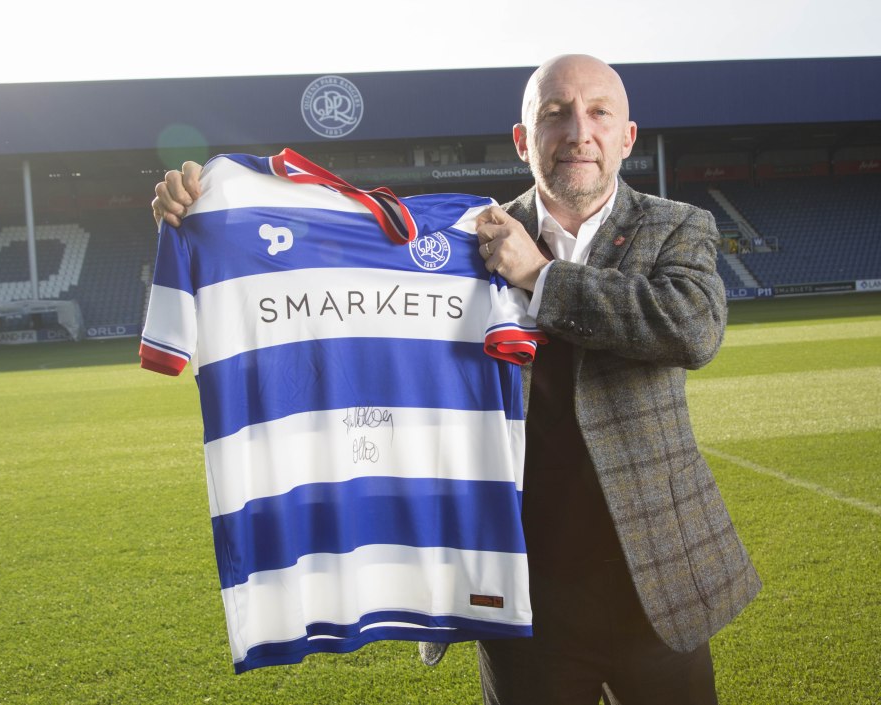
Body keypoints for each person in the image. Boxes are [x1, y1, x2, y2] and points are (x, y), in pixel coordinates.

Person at [151, 54, 760, 705]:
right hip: (516, 597)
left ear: (626, 137)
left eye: (598, 113)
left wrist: (539, 276)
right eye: (555, 114)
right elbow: (331, 258)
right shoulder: (463, 238)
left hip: (654, 586)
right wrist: (209, 211)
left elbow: (693, 326)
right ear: (524, 139)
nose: (579, 131)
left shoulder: (676, 226)